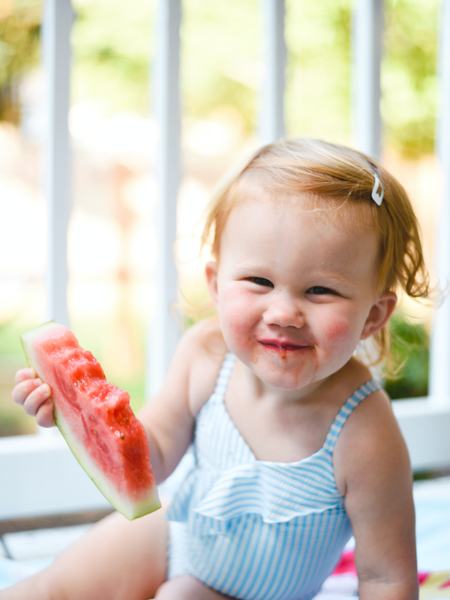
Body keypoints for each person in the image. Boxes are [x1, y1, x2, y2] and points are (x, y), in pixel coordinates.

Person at [5, 137, 429, 600]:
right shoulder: (207, 354)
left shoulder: (364, 431)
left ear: (373, 316)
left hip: (242, 593)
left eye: (321, 290)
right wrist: (76, 411)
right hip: (175, 533)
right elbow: (154, 456)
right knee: (50, 590)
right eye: (259, 281)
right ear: (216, 283)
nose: (284, 311)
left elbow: (386, 577)